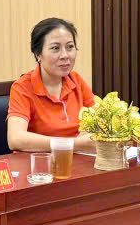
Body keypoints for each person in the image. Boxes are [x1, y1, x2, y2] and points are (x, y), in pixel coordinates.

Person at [7, 17, 95, 153]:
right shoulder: (23, 87)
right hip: (38, 163)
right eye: (55, 48)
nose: (65, 55)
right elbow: (15, 139)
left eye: (70, 47)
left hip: (76, 160)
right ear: (38, 54)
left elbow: (102, 120)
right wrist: (75, 144)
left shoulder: (76, 80)